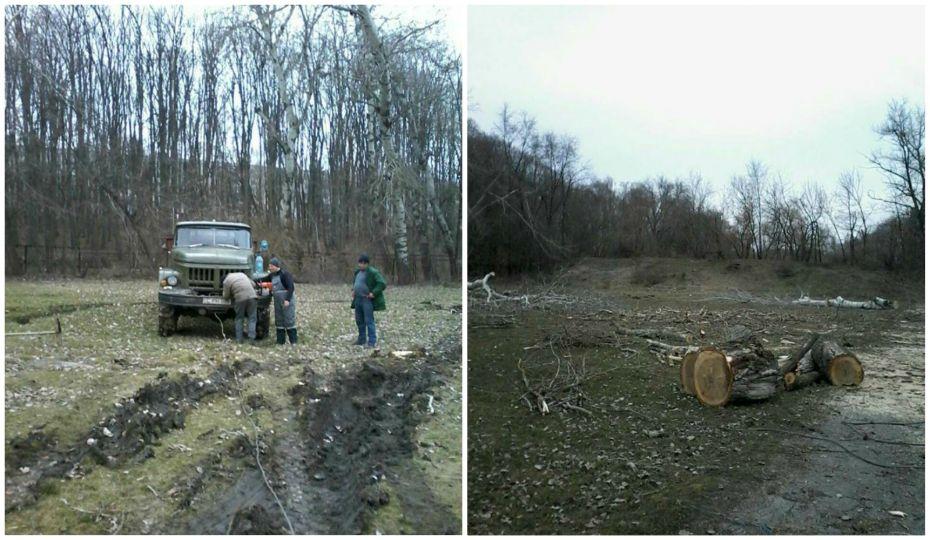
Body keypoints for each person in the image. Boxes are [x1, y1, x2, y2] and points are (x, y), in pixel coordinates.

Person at [351, 254, 387, 348]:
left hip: (367, 300)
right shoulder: (358, 272)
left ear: (367, 264)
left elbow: (382, 283)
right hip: (358, 299)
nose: (362, 265)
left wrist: (373, 293)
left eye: (364, 263)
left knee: (369, 320)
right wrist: (354, 291)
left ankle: (372, 342)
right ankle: (361, 339)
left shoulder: (373, 272)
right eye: (360, 263)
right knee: (359, 320)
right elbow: (356, 283)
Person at [259, 257, 297, 345]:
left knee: (289, 321)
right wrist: (255, 282)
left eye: (271, 266)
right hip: (277, 302)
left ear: (276, 266)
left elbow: (291, 287)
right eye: (269, 266)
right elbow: (263, 280)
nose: (270, 268)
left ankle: (293, 342)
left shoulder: (285, 274)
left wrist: (287, 299)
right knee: (279, 321)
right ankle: (280, 342)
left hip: (287, 301)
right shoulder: (272, 275)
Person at [222, 271, 257, 344]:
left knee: (239, 318)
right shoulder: (242, 274)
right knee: (252, 318)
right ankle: (252, 338)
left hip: (240, 299)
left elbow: (226, 296)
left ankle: (239, 339)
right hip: (252, 297)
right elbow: (253, 284)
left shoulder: (226, 281)